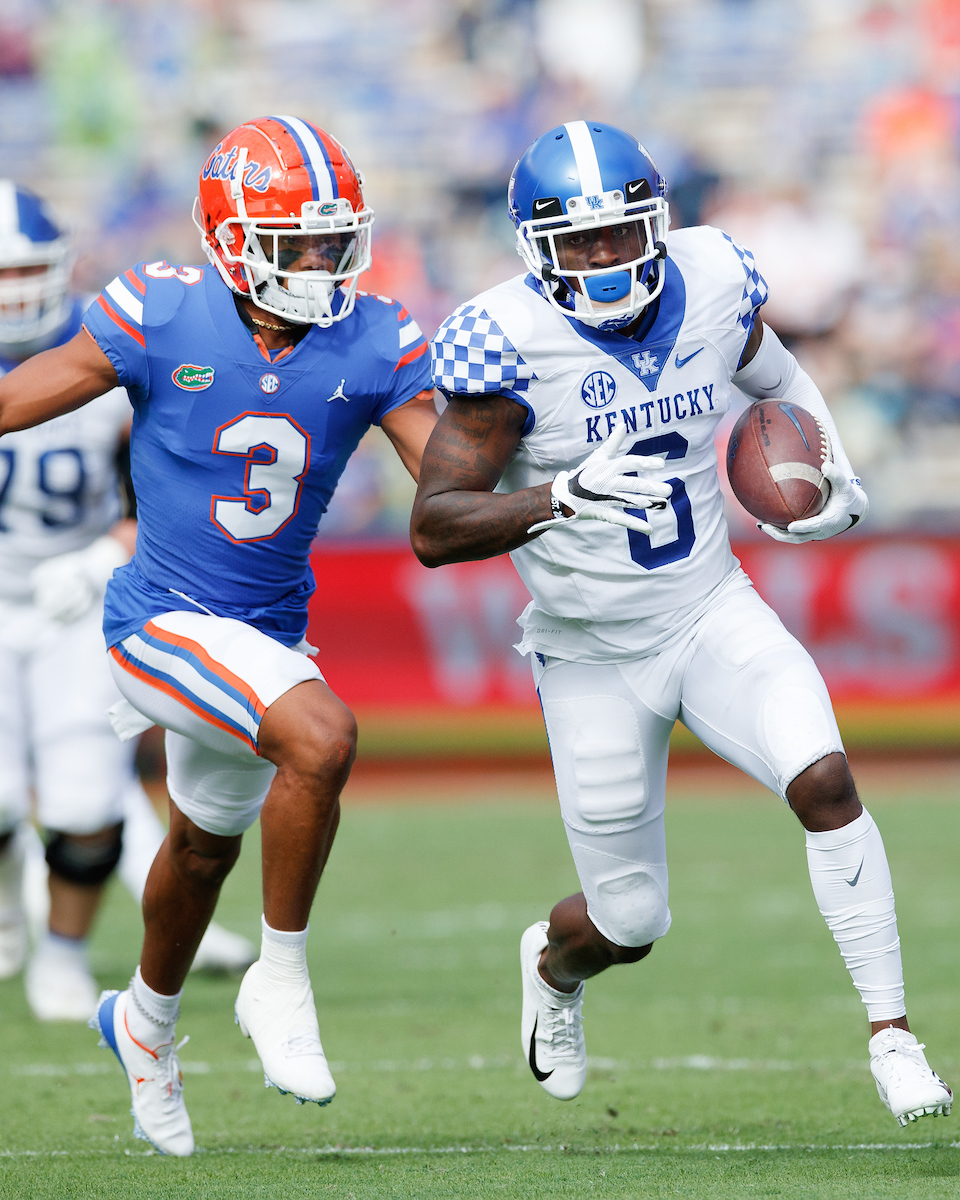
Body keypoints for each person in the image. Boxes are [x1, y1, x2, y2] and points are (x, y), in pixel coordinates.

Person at [411, 121, 952, 1128]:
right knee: (628, 920)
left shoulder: (710, 278)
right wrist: (559, 496)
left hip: (709, 610)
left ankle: (892, 1035)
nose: (606, 260)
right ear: (537, 250)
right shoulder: (505, 341)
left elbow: (779, 383)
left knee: (825, 779)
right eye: (580, 244)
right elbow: (433, 528)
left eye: (621, 235)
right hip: (589, 654)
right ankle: (553, 969)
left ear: (657, 224)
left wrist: (832, 472)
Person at [0, 118, 437, 1156]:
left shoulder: (377, 336)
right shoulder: (161, 310)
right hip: (154, 621)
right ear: (233, 237)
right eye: (300, 242)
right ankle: (280, 979)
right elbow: (18, 394)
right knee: (321, 738)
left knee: (199, 853)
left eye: (336, 241)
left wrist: (537, 478)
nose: (323, 263)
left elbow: (455, 487)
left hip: (265, 634)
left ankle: (142, 1024)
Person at [0, 182, 255, 1023]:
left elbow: (164, 494)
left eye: (25, 271)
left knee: (81, 796)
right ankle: (11, 900)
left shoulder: (109, 346)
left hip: (80, 593)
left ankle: (63, 956)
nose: (14, 291)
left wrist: (103, 556)